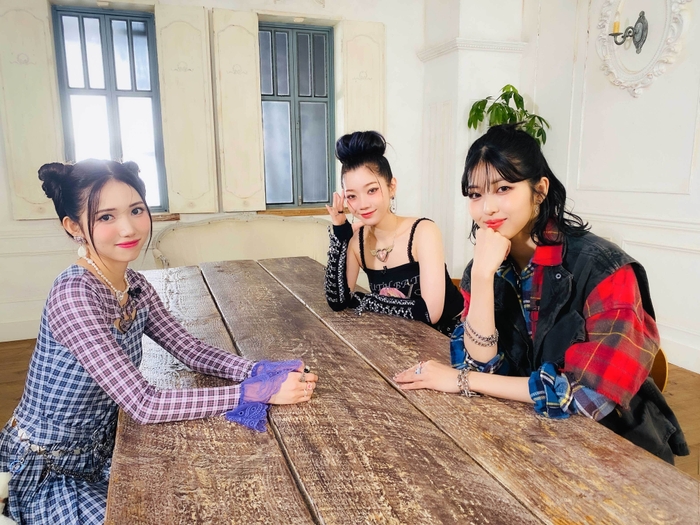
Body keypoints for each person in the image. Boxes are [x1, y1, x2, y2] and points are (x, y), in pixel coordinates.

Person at [0, 159, 318, 525]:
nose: (129, 227)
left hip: (105, 451)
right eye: (106, 217)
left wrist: (257, 369)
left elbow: (190, 350)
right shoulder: (74, 294)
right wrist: (253, 392)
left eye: (136, 210)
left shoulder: (134, 285)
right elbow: (144, 404)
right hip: (46, 470)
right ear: (73, 227)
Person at [394, 124, 689, 464]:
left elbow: (591, 398)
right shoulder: (485, 266)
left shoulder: (604, 268)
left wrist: (464, 380)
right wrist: (483, 276)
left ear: (539, 190)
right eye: (475, 195)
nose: (487, 208)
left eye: (503, 188)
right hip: (531, 439)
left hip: (616, 451)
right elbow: (478, 364)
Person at [324, 131, 463, 335]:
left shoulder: (423, 232)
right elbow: (338, 301)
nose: (362, 204)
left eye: (372, 190)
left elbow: (430, 313)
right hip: (400, 338)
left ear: (391, 187)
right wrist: (339, 235)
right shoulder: (356, 242)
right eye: (352, 196)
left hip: (449, 339)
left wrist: (367, 300)